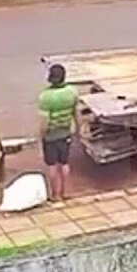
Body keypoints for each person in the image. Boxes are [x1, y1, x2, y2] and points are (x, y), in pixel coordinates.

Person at [37, 63, 77, 202]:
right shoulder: (72, 92)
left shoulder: (45, 97)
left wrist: (41, 136)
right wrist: (76, 128)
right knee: (64, 163)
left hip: (51, 135)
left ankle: (55, 195)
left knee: (53, 166)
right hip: (65, 132)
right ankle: (66, 192)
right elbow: (75, 112)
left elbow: (44, 121)